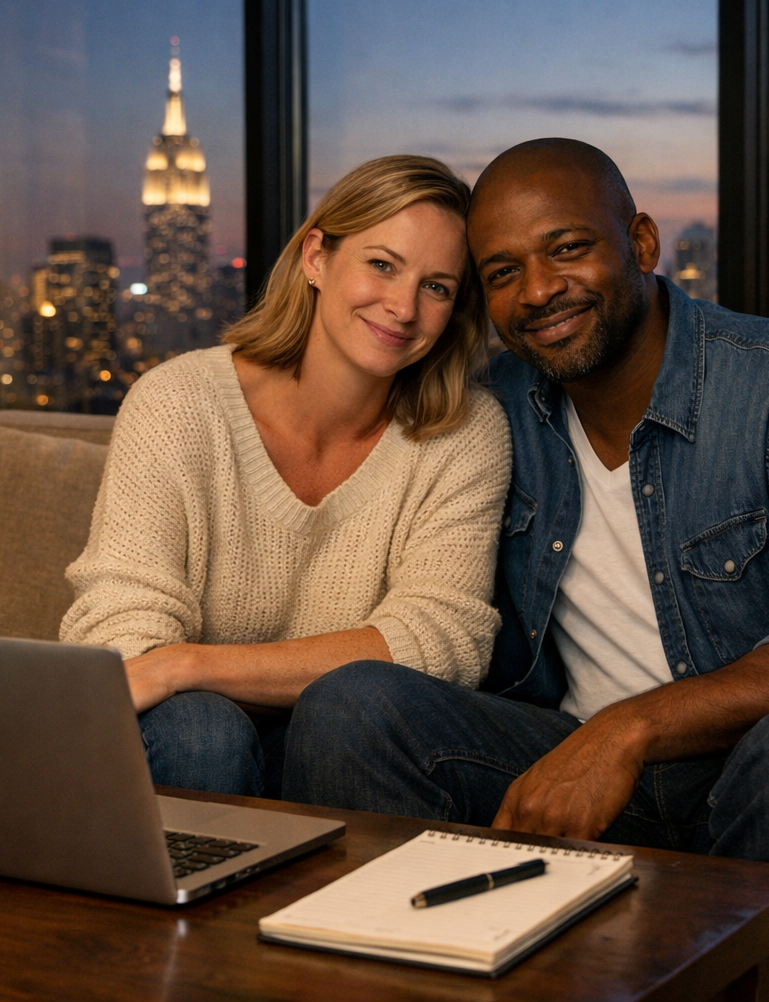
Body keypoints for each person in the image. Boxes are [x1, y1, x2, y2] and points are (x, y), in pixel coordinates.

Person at [282, 139, 769, 1001]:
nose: (537, 292)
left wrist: (628, 730)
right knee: (354, 705)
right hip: (604, 769)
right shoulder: (492, 415)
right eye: (501, 272)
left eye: (568, 249)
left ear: (640, 243)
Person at [61, 155, 510, 799]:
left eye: (437, 287)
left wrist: (190, 662)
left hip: (358, 750)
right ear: (316, 258)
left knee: (351, 716)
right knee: (201, 732)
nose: (403, 307)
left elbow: (440, 642)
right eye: (381, 264)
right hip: (187, 743)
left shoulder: (464, 435)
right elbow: (123, 636)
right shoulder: (177, 403)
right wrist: (226, 683)